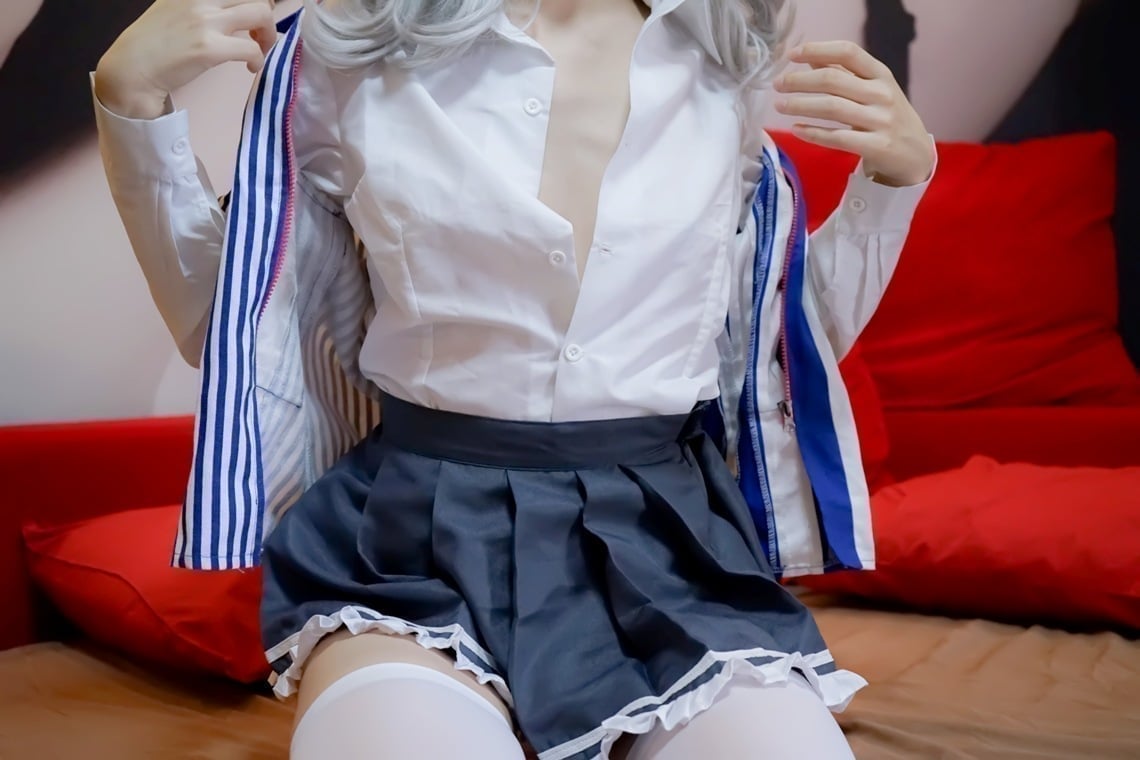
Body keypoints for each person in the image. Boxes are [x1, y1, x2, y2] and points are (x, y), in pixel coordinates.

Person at [92, 0, 934, 757]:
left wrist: (895, 180)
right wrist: (132, 106)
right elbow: (233, 326)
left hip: (664, 539)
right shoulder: (343, 44)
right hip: (415, 541)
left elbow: (776, 342)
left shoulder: (722, 53)